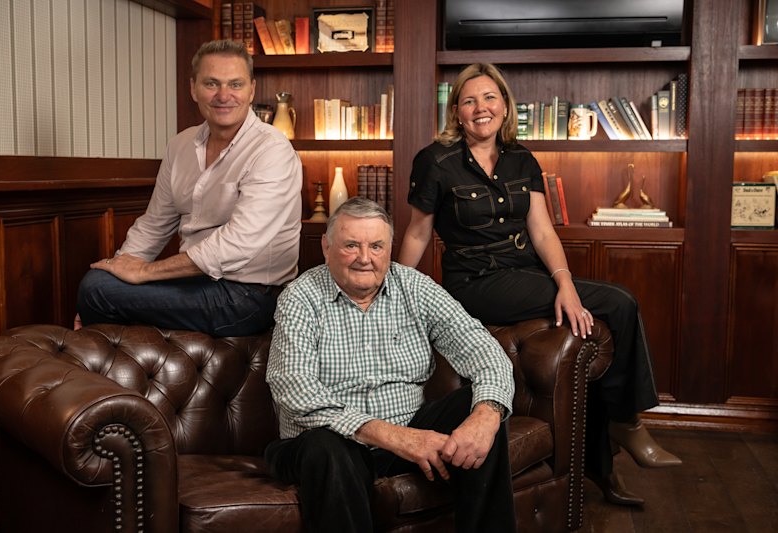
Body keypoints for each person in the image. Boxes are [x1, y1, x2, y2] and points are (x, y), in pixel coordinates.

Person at [397, 63, 681, 507]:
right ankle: (626, 423)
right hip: (476, 282)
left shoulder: (522, 159)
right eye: (469, 100)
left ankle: (602, 461)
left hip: (525, 274)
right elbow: (417, 232)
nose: (480, 108)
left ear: (505, 105)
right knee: (619, 302)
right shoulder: (435, 161)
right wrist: (396, 293)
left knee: (599, 317)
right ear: (456, 111)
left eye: (490, 98)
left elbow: (543, 230)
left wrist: (564, 285)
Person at [265, 197, 517, 533]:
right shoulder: (301, 297)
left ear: (390, 247)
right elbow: (295, 389)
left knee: (482, 409)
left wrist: (486, 414)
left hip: (409, 427)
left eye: (376, 246)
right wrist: (397, 438)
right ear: (326, 246)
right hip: (325, 444)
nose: (364, 258)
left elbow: (482, 347)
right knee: (326, 448)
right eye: (351, 245)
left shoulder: (413, 286)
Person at [75, 40, 302, 337]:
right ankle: (130, 372)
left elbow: (238, 243)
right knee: (99, 281)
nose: (224, 95)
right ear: (193, 87)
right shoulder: (180, 145)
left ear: (252, 90)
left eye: (235, 84)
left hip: (251, 295)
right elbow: (155, 224)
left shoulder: (272, 150)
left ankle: (117, 372)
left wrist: (142, 273)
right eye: (212, 84)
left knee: (97, 291)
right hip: (196, 283)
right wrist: (120, 268)